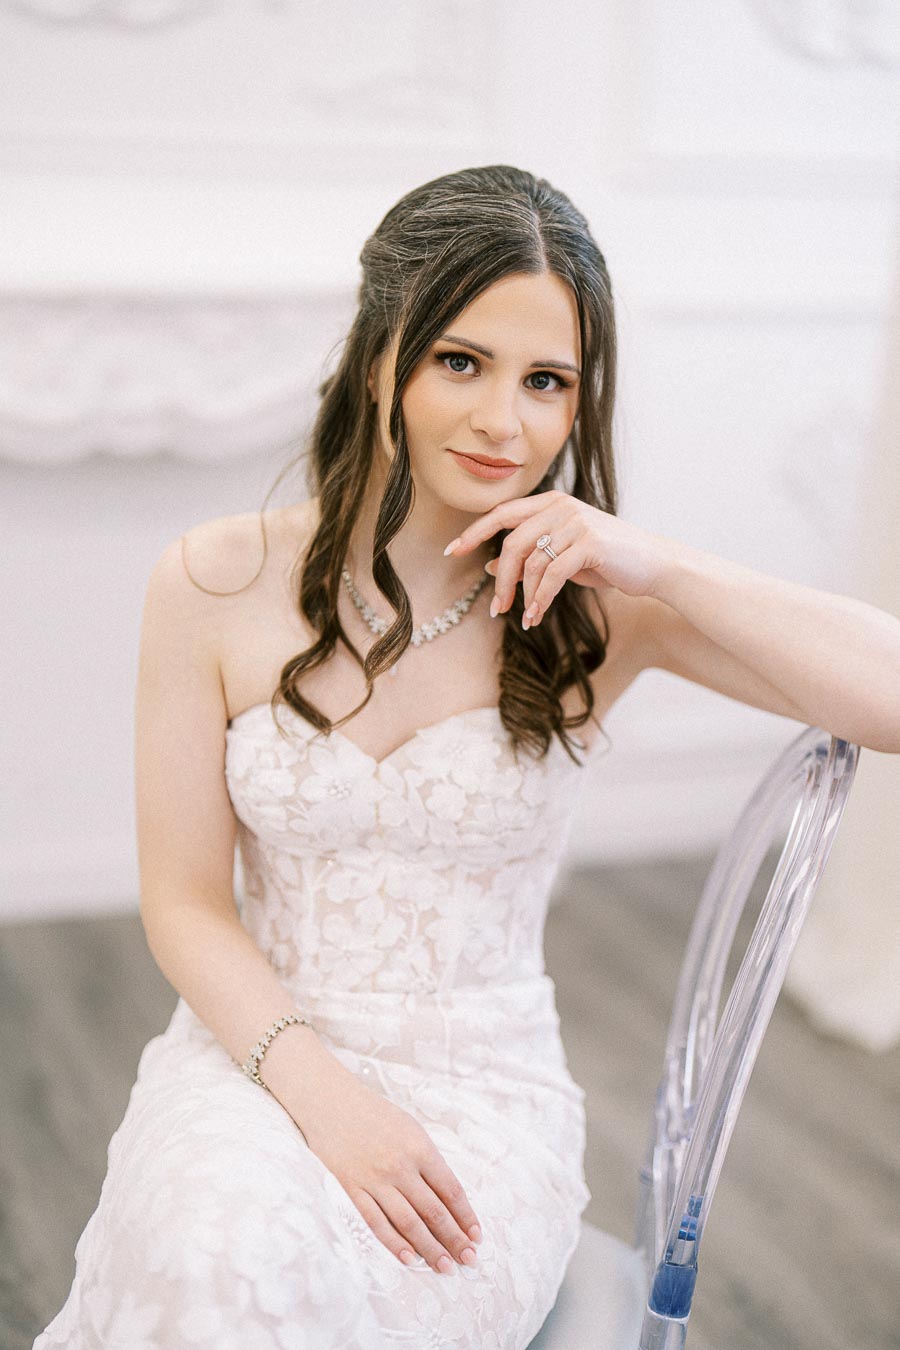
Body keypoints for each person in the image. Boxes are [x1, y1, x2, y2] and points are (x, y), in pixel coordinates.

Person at [33, 164, 900, 1350]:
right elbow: (186, 903)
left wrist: (662, 563)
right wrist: (326, 1100)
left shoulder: (599, 608)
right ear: (380, 357)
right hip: (253, 1055)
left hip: (480, 1103)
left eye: (548, 381)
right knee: (210, 1272)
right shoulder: (211, 583)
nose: (506, 422)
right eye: (461, 362)